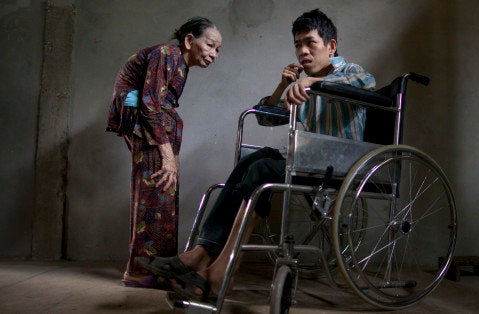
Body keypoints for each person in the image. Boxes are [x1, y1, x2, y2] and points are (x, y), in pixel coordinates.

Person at [139, 8, 375, 300]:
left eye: (310, 43)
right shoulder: (301, 87)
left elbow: (369, 84)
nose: (302, 51)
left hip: (342, 164)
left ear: (331, 46)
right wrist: (282, 86)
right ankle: (203, 253)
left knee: (261, 170)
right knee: (252, 160)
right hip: (308, 159)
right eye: (297, 44)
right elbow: (266, 118)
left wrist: (313, 82)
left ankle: (223, 269)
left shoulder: (349, 72)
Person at [106, 17, 222, 288]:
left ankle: (159, 268)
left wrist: (174, 156)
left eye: (218, 50)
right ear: (189, 40)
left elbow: (160, 107)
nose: (214, 54)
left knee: (163, 199)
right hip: (143, 128)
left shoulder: (179, 63)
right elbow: (149, 105)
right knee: (153, 197)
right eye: (210, 45)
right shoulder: (166, 54)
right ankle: (138, 271)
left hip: (154, 131)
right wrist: (168, 156)